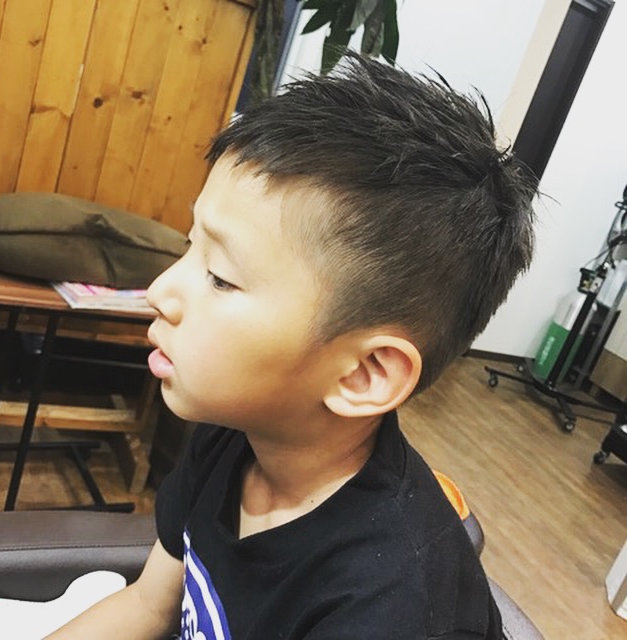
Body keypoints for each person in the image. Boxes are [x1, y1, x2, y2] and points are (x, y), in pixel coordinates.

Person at [47, 52, 535, 639]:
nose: (159, 292)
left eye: (220, 277)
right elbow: (150, 604)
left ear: (363, 374)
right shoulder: (237, 434)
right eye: (189, 244)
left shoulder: (386, 609)